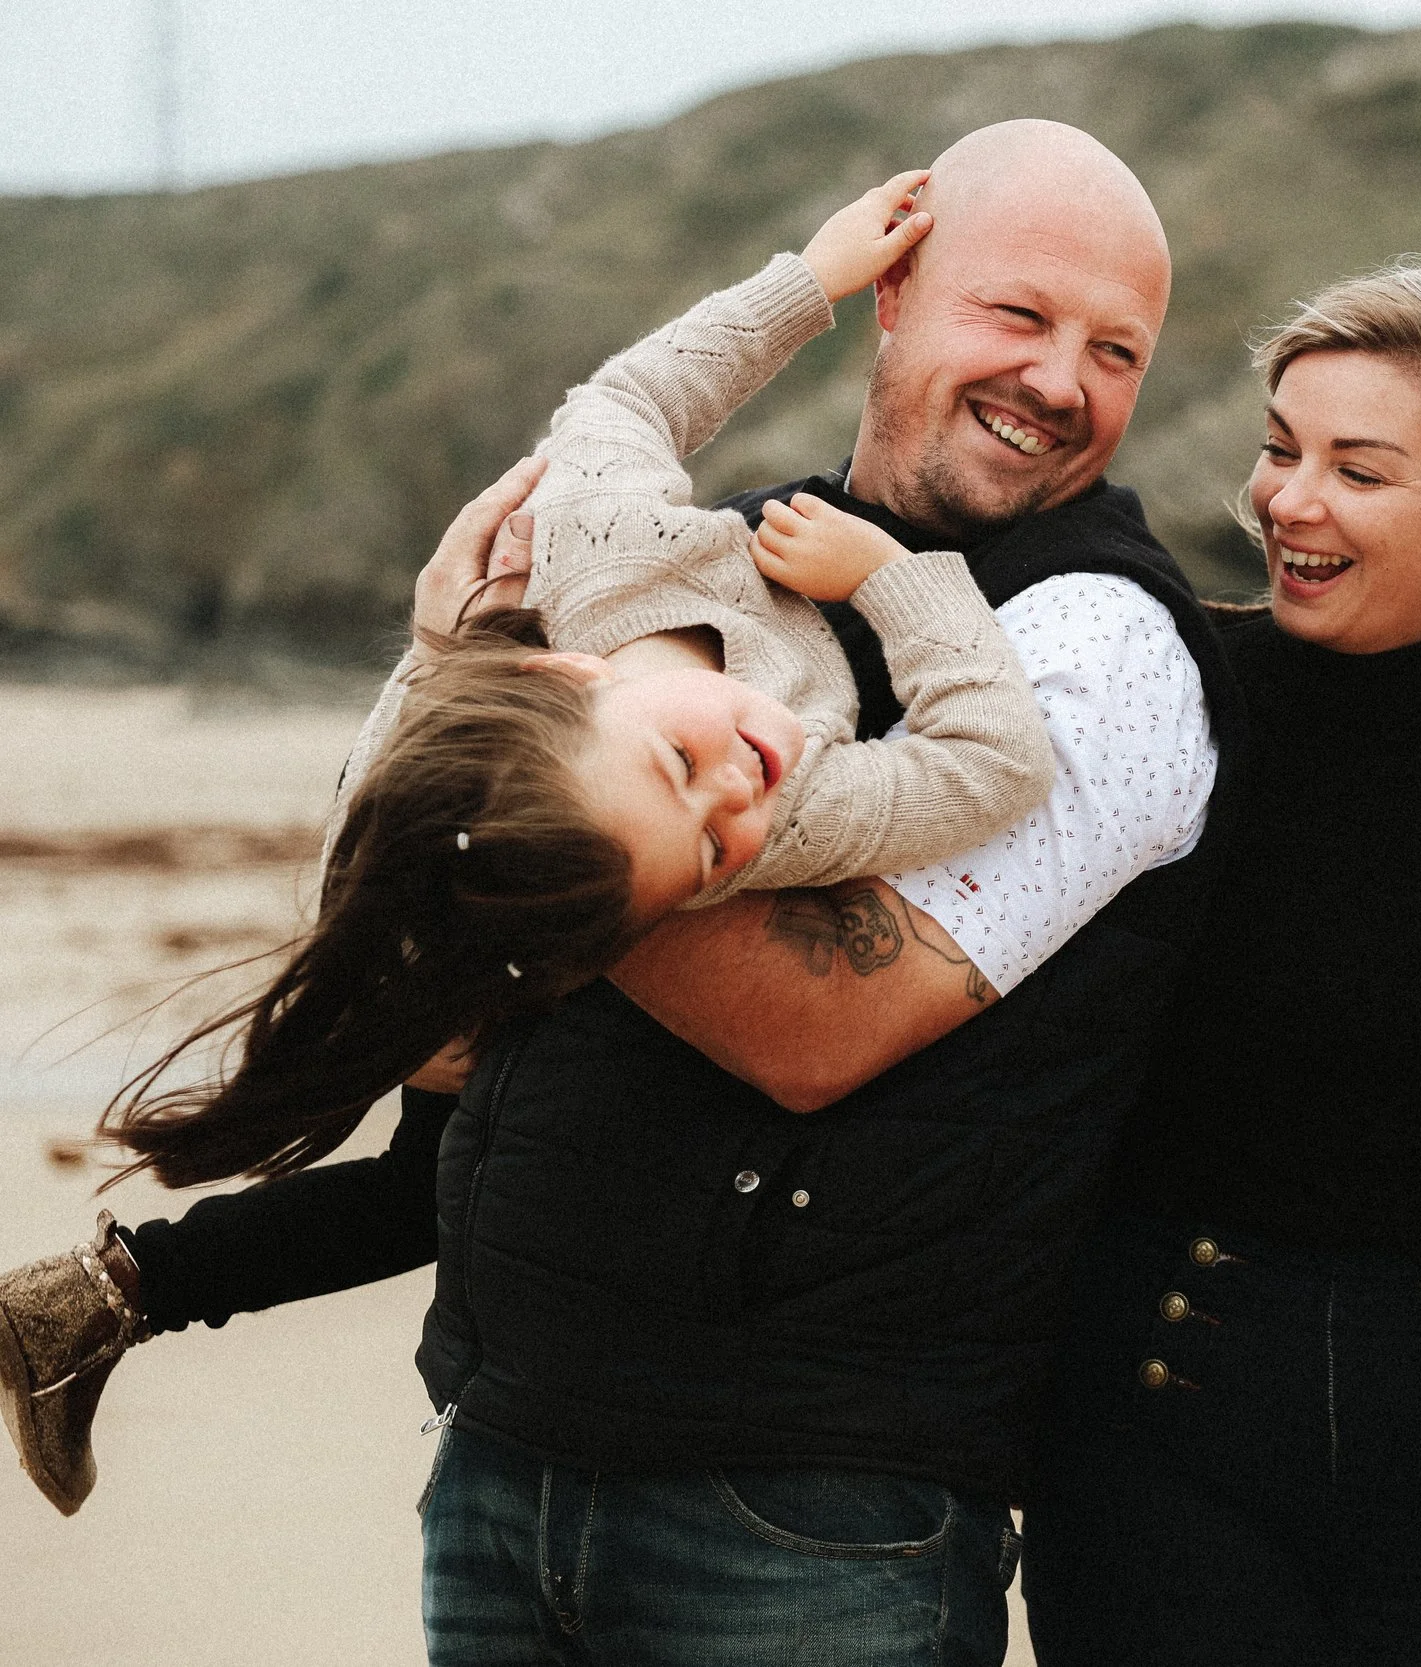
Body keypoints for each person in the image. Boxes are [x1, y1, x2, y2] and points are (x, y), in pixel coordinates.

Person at [0, 120, 1231, 1667]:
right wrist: (467, 683)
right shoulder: (710, 552)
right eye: (1021, 314)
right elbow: (431, 1014)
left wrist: (525, 729)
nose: (1062, 378)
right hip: (513, 1445)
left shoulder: (1100, 639)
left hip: (809, 1507)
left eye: (1117, 349)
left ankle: (119, 1287)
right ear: (897, 290)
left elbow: (812, 1020)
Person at [85, 172, 1052, 1203]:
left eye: (677, 761)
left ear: (566, 671)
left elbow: (629, 399)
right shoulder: (786, 813)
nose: (734, 788)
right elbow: (997, 762)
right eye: (711, 847)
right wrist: (884, 580)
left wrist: (810, 280)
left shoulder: (599, 544)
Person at [1019, 259, 1421, 1666]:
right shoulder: (1175, 683)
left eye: (1357, 470)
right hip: (1152, 1403)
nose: (1287, 502)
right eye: (1279, 449)